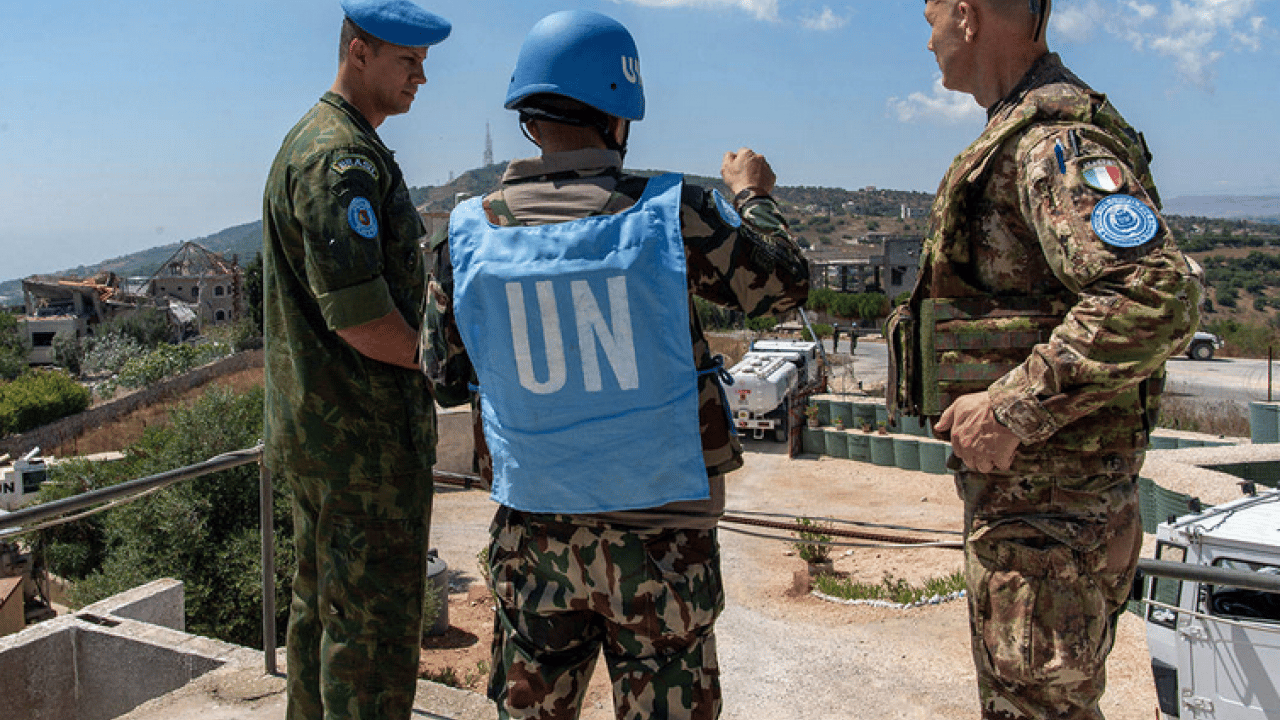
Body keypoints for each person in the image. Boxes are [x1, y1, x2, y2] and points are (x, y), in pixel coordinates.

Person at [422, 10, 809, 719]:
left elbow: (442, 375)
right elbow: (783, 284)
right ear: (620, 115)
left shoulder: (466, 233)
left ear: (528, 118)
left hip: (533, 537)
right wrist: (753, 197)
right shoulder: (675, 211)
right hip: (663, 543)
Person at [887, 2, 1204, 718]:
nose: (927, 37)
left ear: (968, 17)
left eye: (931, 15)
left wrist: (1009, 406)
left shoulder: (1056, 142)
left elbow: (1155, 293)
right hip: (1045, 517)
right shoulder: (1022, 131)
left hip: (1050, 521)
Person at [261, 2, 450, 718]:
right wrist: (444, 361)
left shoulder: (328, 142)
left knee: (323, 616)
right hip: (361, 445)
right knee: (370, 637)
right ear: (359, 51)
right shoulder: (338, 160)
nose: (421, 78)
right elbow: (364, 317)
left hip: (325, 436)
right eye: (409, 61)